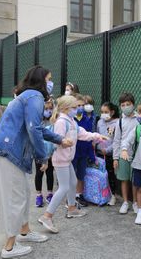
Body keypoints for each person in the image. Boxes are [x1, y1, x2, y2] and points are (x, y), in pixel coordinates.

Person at [0, 66, 73, 258]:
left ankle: (24, 231)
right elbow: (34, 129)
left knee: (23, 193)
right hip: (8, 152)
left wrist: (59, 140)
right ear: (41, 80)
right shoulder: (35, 97)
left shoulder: (27, 96)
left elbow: (39, 128)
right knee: (15, 199)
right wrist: (42, 156)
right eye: (49, 79)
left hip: (9, 152)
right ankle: (9, 246)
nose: (51, 83)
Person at [38, 95, 107, 234]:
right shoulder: (61, 122)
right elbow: (56, 140)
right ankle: (47, 216)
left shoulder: (71, 121)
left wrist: (97, 136)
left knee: (73, 182)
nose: (77, 109)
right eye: (74, 107)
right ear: (65, 108)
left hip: (67, 159)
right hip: (61, 160)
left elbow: (81, 133)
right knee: (64, 187)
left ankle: (71, 209)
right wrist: (63, 142)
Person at [113, 92, 139, 214]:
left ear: (133, 104)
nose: (125, 107)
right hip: (123, 155)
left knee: (134, 180)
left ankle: (135, 202)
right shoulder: (119, 122)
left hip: (137, 155)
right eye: (122, 105)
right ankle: (125, 202)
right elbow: (117, 140)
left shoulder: (139, 119)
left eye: (128, 104)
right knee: (124, 179)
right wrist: (115, 158)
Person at [72, 93, 96, 207]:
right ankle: (70, 197)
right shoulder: (71, 120)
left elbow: (89, 137)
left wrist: (91, 155)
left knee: (81, 175)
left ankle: (79, 195)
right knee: (71, 176)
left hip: (83, 152)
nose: (80, 107)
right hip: (72, 153)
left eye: (82, 105)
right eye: (78, 105)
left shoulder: (87, 119)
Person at [96, 101, 120, 206]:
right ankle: (102, 195)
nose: (103, 114)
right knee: (101, 175)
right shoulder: (99, 122)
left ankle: (113, 195)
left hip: (110, 155)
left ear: (112, 112)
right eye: (102, 112)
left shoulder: (117, 123)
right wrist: (96, 145)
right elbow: (97, 135)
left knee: (110, 175)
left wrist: (108, 150)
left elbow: (117, 140)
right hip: (99, 154)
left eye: (106, 112)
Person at [35, 99, 55, 207]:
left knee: (50, 173)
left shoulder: (54, 121)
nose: (49, 111)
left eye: (50, 108)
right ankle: (38, 195)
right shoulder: (37, 121)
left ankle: (50, 194)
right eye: (46, 109)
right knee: (39, 173)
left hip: (50, 153)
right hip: (39, 153)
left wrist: (52, 152)